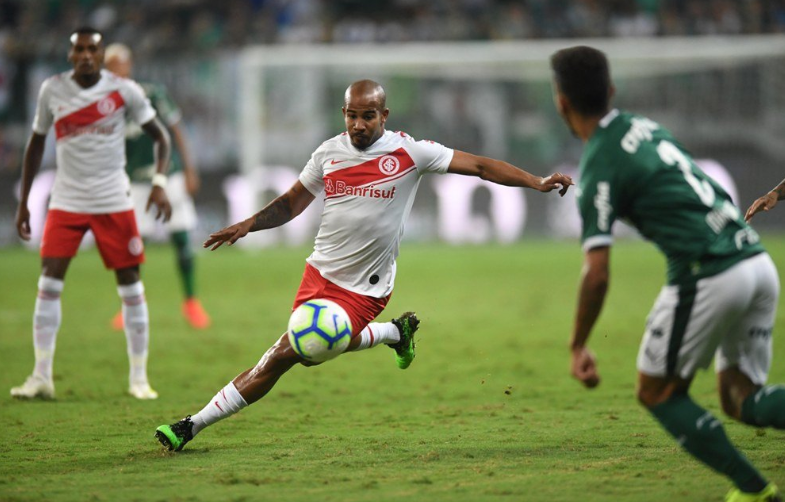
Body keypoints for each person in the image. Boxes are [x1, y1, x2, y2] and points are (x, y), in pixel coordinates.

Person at [154, 79, 573, 451]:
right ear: (344, 113)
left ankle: (191, 425)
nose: (358, 125)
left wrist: (535, 181)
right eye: (352, 116)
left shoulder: (410, 152)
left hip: (365, 288)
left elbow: (481, 166)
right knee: (310, 348)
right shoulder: (328, 153)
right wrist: (249, 224)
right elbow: (292, 203)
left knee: (287, 352)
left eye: (368, 116)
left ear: (384, 115)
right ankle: (395, 332)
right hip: (319, 273)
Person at [552, 46, 784, 502]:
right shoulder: (644, 127)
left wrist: (578, 344)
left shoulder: (598, 164)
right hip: (755, 258)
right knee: (742, 399)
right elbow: (713, 190)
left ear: (562, 103)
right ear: (611, 90)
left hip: (709, 272)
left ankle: (756, 492)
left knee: (657, 392)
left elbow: (597, 274)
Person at [11, 27, 172, 401]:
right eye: (79, 49)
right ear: (70, 55)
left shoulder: (124, 90)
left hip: (113, 199)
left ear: (101, 56)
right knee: (49, 282)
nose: (85, 55)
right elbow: (36, 143)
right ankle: (41, 376)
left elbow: (161, 137)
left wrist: (160, 182)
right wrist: (24, 201)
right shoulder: (52, 90)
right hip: (66, 200)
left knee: (131, 283)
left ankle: (138, 378)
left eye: (92, 50)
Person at [104, 43, 211, 330]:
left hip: (168, 176)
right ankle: (129, 306)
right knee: (133, 245)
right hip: (135, 182)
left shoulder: (151, 93)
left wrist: (189, 169)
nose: (116, 72)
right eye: (110, 67)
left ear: (129, 66)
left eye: (119, 65)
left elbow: (177, 128)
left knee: (181, 238)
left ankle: (191, 302)